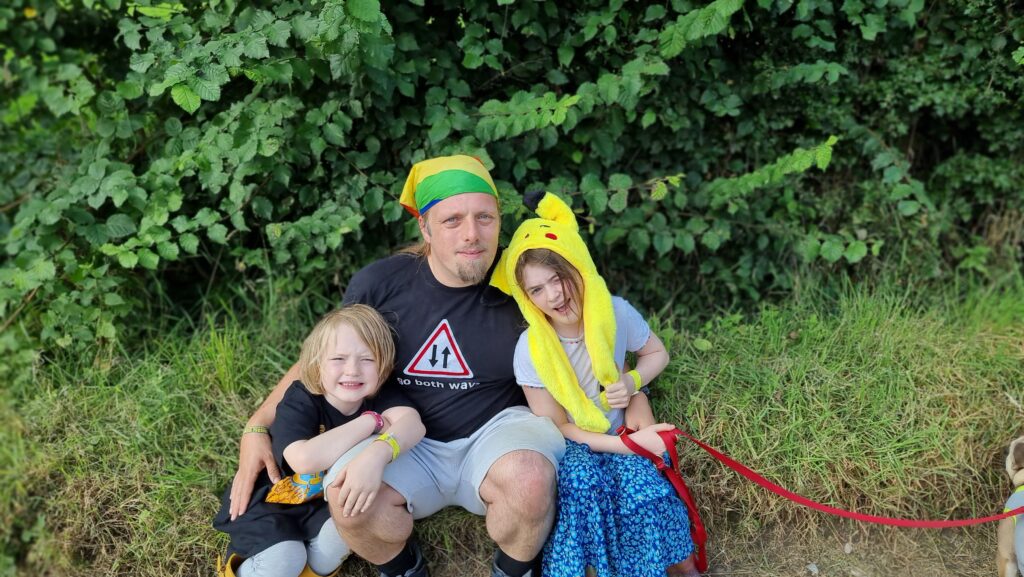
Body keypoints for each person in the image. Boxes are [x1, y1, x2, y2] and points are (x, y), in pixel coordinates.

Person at [228, 155, 565, 577]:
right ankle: (404, 569)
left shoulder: (523, 280)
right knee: (347, 498)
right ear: (424, 227)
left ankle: (514, 569)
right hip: (403, 436)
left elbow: (588, 333)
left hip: (495, 431)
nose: (472, 235)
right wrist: (258, 423)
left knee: (531, 479)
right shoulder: (381, 284)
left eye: (485, 217)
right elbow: (325, 357)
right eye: (452, 220)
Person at [490, 191, 701, 577]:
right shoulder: (531, 349)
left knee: (648, 492)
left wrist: (633, 382)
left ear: (577, 266)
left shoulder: (615, 312)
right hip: (577, 446)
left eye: (558, 278)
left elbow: (657, 354)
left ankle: (681, 569)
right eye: (537, 289)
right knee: (584, 491)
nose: (554, 295)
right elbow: (557, 425)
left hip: (621, 428)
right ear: (525, 298)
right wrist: (625, 444)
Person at [213, 304, 426, 577]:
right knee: (286, 557)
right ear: (316, 364)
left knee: (336, 546)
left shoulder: (380, 396)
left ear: (384, 365)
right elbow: (303, 459)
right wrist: (369, 422)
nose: (352, 371)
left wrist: (380, 452)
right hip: (272, 500)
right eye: (338, 359)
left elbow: (413, 424)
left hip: (320, 505)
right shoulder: (302, 398)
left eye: (367, 359)